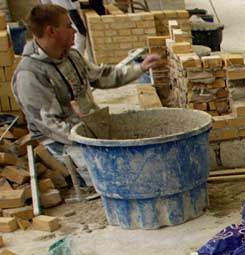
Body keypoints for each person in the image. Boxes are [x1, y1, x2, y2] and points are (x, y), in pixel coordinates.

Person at [12, 5, 162, 184]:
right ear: (51, 31)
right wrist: (92, 141)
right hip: (60, 141)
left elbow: (102, 76)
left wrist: (141, 67)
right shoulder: (30, 74)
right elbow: (50, 126)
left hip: (86, 127)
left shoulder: (71, 55)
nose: (75, 31)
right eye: (68, 26)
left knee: (140, 150)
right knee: (113, 175)